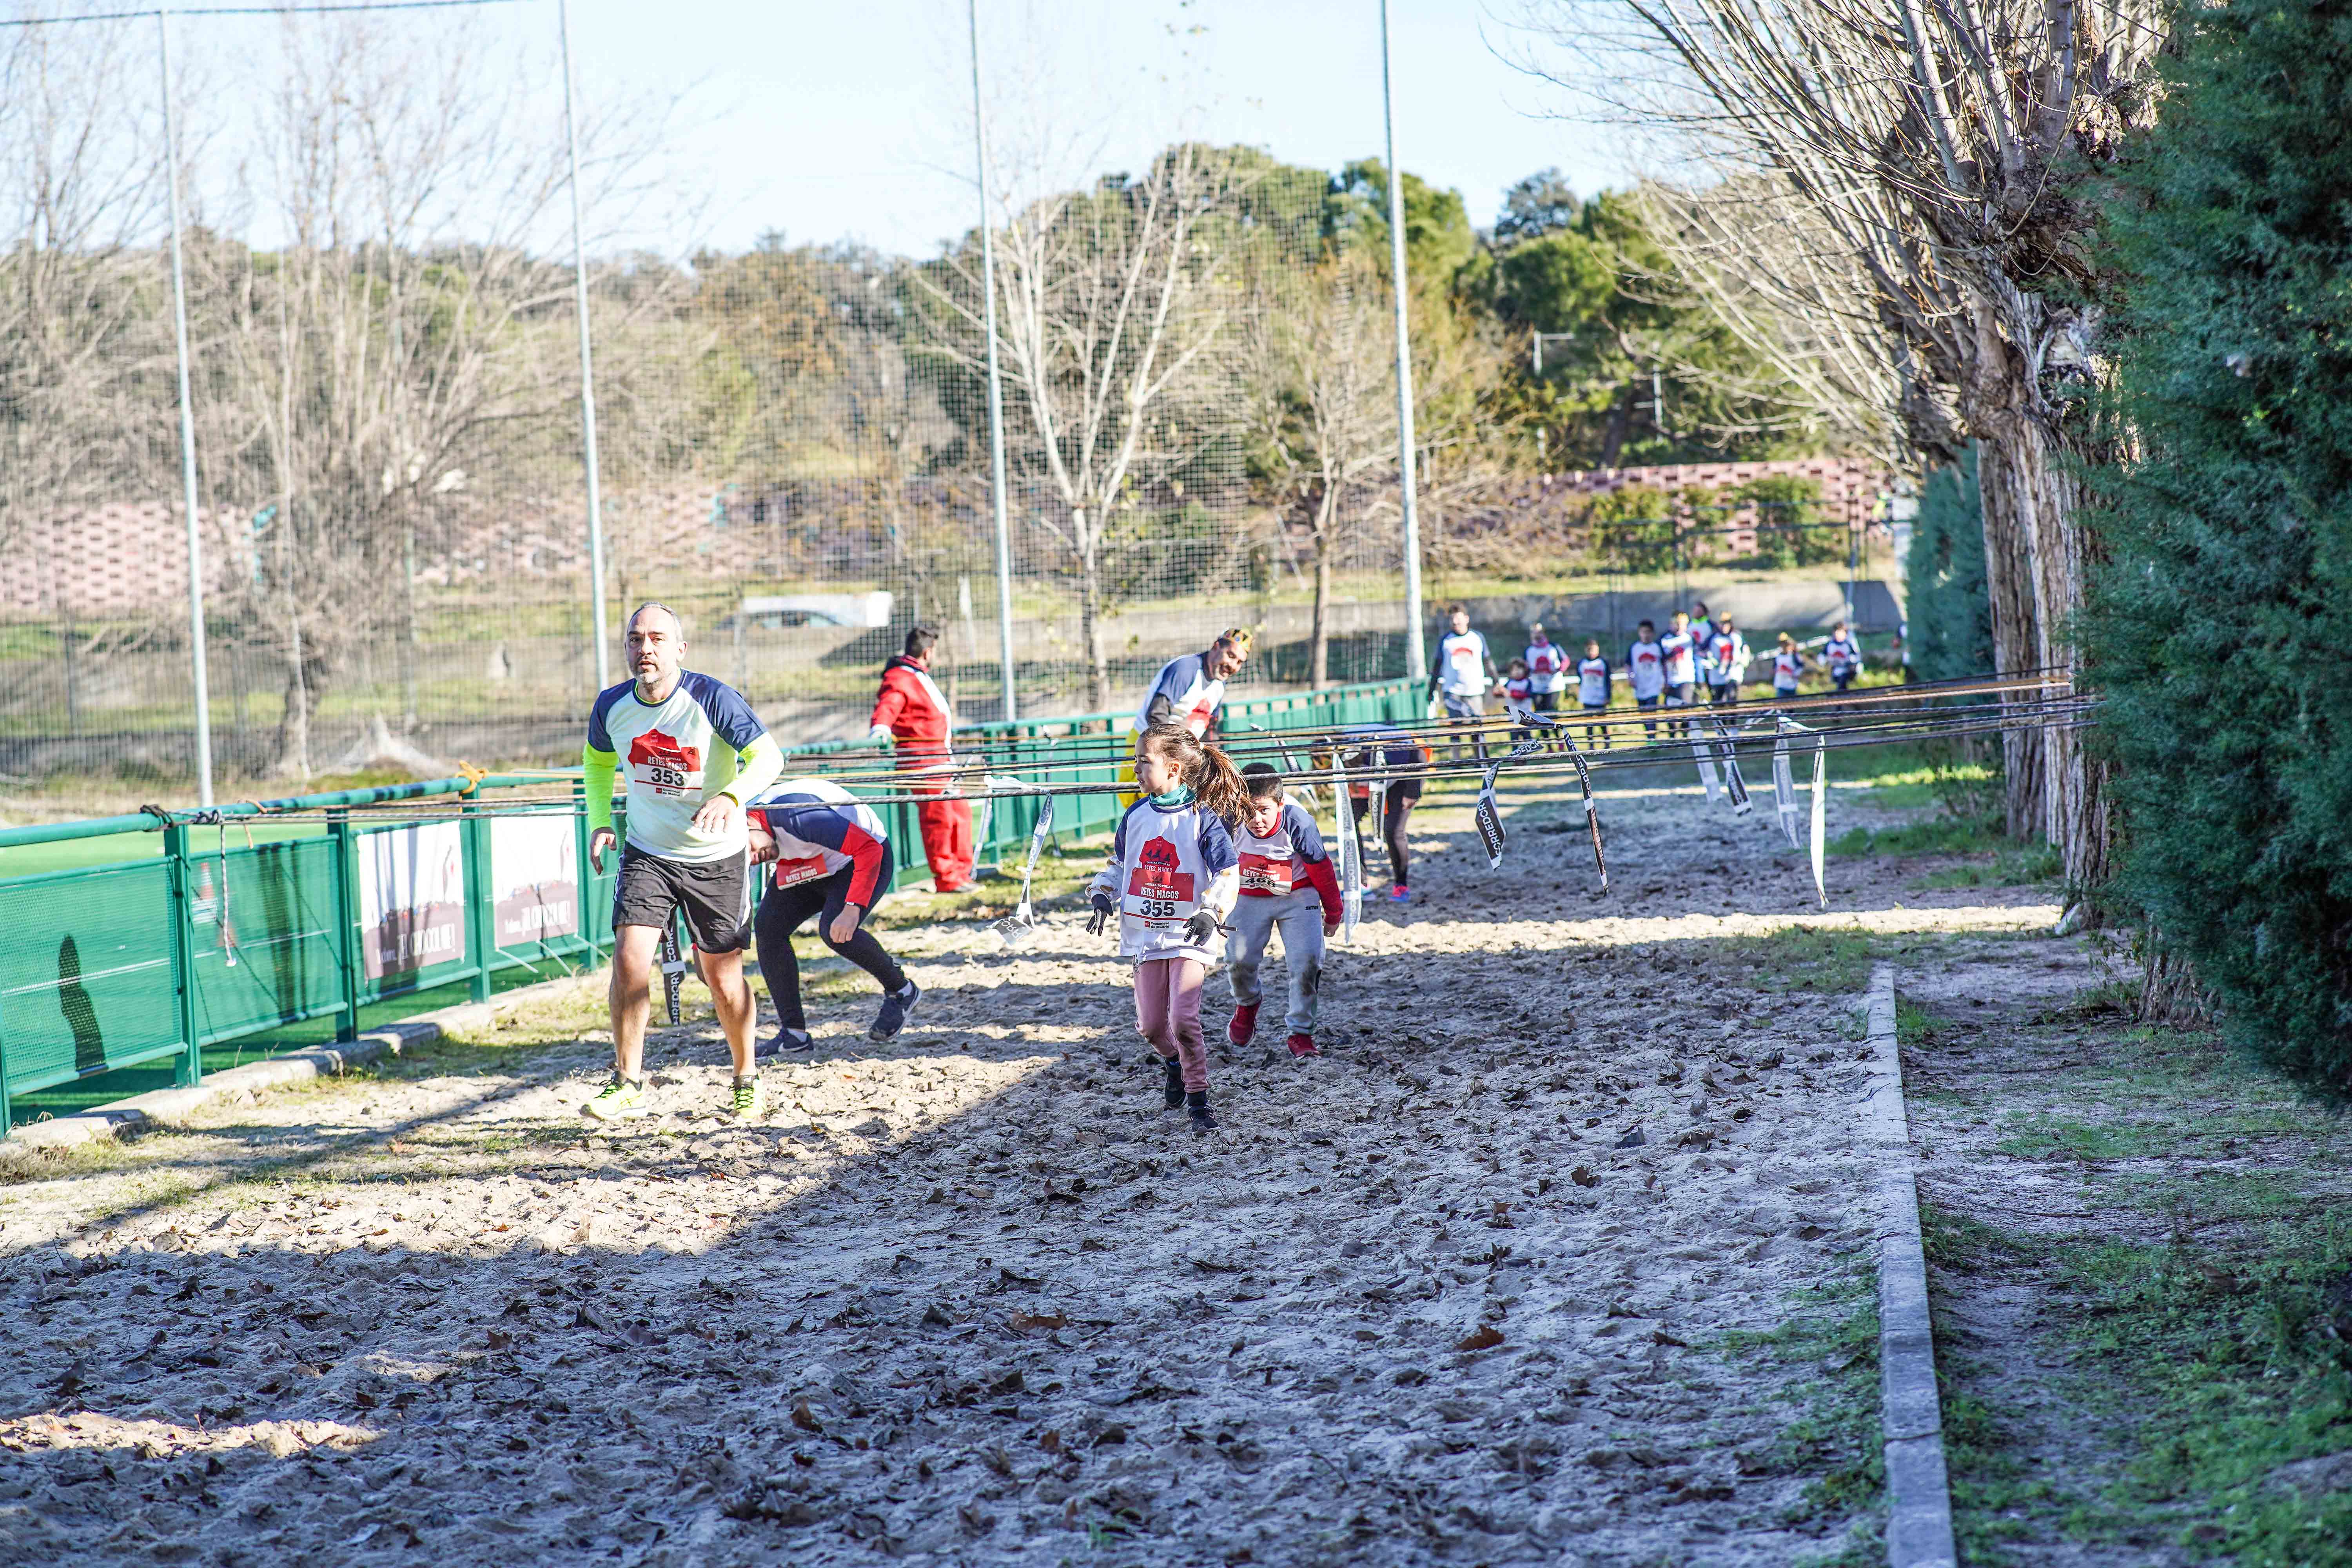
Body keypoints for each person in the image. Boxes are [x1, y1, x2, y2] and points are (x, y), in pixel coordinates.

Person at [582, 603, 783, 1121]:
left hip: (716, 856)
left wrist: (733, 797)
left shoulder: (713, 698)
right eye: (634, 639)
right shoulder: (611, 706)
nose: (644, 649)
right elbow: (599, 762)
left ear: (679, 648)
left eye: (656, 639)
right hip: (649, 851)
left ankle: (746, 1076)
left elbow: (770, 758)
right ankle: (627, 1080)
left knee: (721, 977)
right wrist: (601, 820)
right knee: (629, 960)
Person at [1087, 721, 1246, 1133]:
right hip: (1145, 935)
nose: (1136, 769)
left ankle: (1199, 1100)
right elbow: (1120, 865)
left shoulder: (1203, 819)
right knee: (1152, 1027)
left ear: (1174, 769)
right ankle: (1174, 1063)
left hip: (1190, 934)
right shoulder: (1136, 815)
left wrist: (1211, 911)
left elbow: (1229, 871)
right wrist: (1103, 894)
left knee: (1183, 1020)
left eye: (1144, 762)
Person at [746, 776, 920, 1054]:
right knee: (768, 929)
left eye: (751, 850)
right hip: (805, 864)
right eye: (746, 859)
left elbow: (869, 849)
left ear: (748, 823)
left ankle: (901, 991)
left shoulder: (794, 815)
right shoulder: (744, 841)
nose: (754, 858)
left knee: (835, 932)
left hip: (860, 858)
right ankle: (794, 1035)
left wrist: (853, 908)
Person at [1225, 763, 1344, 1060]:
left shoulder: (1298, 821)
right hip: (1247, 895)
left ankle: (1301, 1033)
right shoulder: (1228, 817)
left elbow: (1322, 868)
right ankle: (1248, 1003)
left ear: (1280, 804)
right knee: (1238, 962)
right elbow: (1211, 861)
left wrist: (1333, 913)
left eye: (1264, 810)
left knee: (1308, 962)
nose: (1256, 820)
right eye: (1248, 810)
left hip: (1298, 893)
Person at [867, 624, 973, 894]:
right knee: (938, 818)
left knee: (960, 813)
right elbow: (888, 706)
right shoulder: (900, 678)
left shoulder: (917, 675)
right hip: (923, 761)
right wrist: (881, 728)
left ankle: (962, 872)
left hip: (942, 758)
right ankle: (946, 878)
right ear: (928, 652)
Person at [1338, 723, 1426, 903]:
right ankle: (1360, 885)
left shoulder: (1392, 749)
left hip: (1401, 778)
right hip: (1368, 780)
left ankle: (1401, 886)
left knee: (1393, 831)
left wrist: (1413, 792)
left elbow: (1418, 756)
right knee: (1347, 826)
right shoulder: (1338, 754)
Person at [1135, 630, 1252, 741]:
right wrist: (1175, 750)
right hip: (1145, 746)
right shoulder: (1185, 669)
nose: (1233, 666)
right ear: (1216, 648)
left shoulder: (1220, 684)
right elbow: (1156, 715)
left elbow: (1210, 729)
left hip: (1183, 753)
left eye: (1240, 662)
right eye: (1231, 656)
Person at [1430, 605, 1494, 759]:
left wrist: (1496, 682)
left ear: (1467, 619)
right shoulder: (1446, 641)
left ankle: (1481, 760)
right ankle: (1456, 760)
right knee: (1456, 727)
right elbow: (1437, 667)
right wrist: (1431, 689)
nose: (1455, 623)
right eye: (1452, 620)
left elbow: (1488, 661)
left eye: (1458, 619)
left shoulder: (1477, 638)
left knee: (1477, 727)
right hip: (1453, 691)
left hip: (1474, 690)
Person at [1660, 611, 1699, 735]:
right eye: (1676, 624)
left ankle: (1685, 730)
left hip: (1686, 678)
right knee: (1669, 707)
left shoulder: (1689, 639)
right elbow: (1662, 660)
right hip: (1670, 679)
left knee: (1685, 706)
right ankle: (1672, 732)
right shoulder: (1664, 640)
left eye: (1682, 624)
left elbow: (1698, 658)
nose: (1679, 627)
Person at [1627, 619, 1666, 742]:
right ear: (1639, 633)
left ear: (1652, 633)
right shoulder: (1634, 648)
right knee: (1643, 714)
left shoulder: (1657, 648)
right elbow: (1628, 665)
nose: (1646, 635)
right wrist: (1630, 678)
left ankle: (1652, 738)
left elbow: (1664, 665)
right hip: (1640, 686)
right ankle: (1649, 736)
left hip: (1654, 686)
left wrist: (1665, 682)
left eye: (1648, 632)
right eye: (1644, 632)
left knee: (1651, 712)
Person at [1523, 622, 1570, 715]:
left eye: (1539, 631)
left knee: (1554, 715)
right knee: (1540, 716)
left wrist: (1558, 670)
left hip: (1554, 687)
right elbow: (1524, 667)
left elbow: (1566, 660)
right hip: (1537, 688)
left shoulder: (1554, 647)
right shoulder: (1528, 650)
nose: (1537, 634)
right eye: (1534, 632)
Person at [1705, 614, 1750, 706]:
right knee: (1718, 702)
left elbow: (1746, 649)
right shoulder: (1713, 638)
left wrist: (1745, 659)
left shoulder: (1737, 637)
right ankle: (1721, 721)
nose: (1724, 626)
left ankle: (1732, 720)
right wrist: (1710, 659)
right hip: (1717, 675)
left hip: (1733, 673)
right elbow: (1702, 650)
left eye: (1727, 624)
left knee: (1731, 699)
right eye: (1722, 624)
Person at [1576, 638, 1613, 748]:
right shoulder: (1582, 663)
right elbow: (1580, 678)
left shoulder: (1603, 663)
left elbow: (1608, 681)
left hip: (1600, 698)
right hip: (1587, 697)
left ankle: (1607, 742)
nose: (1591, 652)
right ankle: (1591, 744)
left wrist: (1608, 696)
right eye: (1589, 650)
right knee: (1589, 723)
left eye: (1593, 649)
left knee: (1603, 722)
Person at [1499, 657, 1537, 742]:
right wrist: (1498, 691)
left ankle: (1529, 754)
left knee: (1527, 737)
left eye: (1520, 669)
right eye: (1514, 669)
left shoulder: (1528, 682)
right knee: (1514, 739)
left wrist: (1512, 694)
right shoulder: (1509, 683)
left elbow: (1527, 695)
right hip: (1513, 716)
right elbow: (1501, 693)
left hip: (1525, 715)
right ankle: (1516, 754)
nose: (1517, 671)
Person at [1771, 633, 1815, 700]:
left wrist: (1795, 674)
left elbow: (1801, 667)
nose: (1784, 646)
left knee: (1791, 704)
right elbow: (1775, 668)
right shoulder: (1778, 656)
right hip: (1780, 684)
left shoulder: (1794, 656)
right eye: (1782, 644)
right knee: (1780, 704)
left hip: (1791, 685)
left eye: (1786, 644)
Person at [1823, 621, 1863, 693]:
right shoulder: (1830, 645)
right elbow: (1823, 656)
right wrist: (1827, 661)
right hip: (1835, 670)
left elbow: (1856, 657)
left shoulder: (1848, 644)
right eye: (1837, 633)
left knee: (1842, 685)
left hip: (1847, 670)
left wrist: (1849, 662)